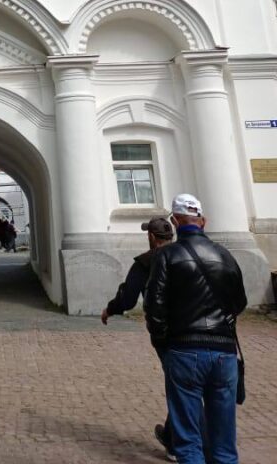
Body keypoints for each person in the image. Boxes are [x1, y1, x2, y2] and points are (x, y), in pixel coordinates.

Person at [145, 194, 247, 464]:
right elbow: (239, 302)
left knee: (189, 443)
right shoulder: (224, 254)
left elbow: (154, 307)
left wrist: (164, 344)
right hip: (224, 353)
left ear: (175, 221)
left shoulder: (166, 255)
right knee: (224, 445)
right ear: (203, 221)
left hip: (184, 350)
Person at [101, 216, 175, 459]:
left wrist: (111, 309)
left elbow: (128, 297)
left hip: (167, 333)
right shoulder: (188, 254)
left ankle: (176, 441)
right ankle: (177, 436)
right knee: (192, 386)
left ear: (151, 236)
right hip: (200, 328)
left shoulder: (146, 261)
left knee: (180, 386)